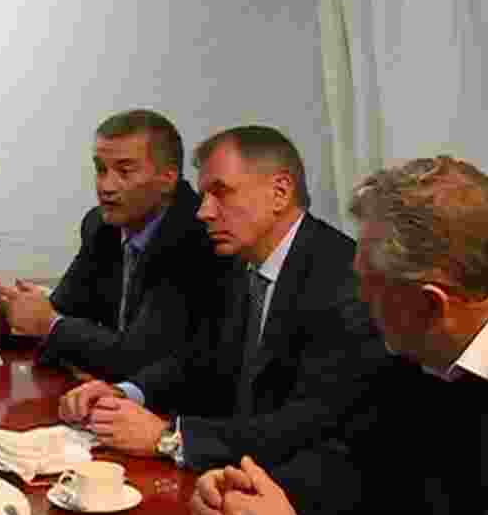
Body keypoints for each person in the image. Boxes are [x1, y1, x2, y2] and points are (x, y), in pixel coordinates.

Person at [191, 156, 488, 515]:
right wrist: (250, 496)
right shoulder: (419, 353)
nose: (356, 297)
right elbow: (363, 466)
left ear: (429, 304)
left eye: (366, 282)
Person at [59, 125, 388, 469]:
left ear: (280, 191)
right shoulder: (237, 264)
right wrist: (126, 392)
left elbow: (305, 423)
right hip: (237, 471)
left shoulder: (343, 280)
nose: (204, 212)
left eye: (221, 193)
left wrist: (170, 438)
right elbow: (201, 362)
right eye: (203, 196)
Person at [0, 109, 225, 382]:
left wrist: (51, 325)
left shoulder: (197, 236)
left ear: (167, 178)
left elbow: (137, 359)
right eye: (100, 169)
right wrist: (23, 311)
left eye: (124, 171)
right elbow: (66, 312)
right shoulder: (100, 226)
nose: (105, 186)